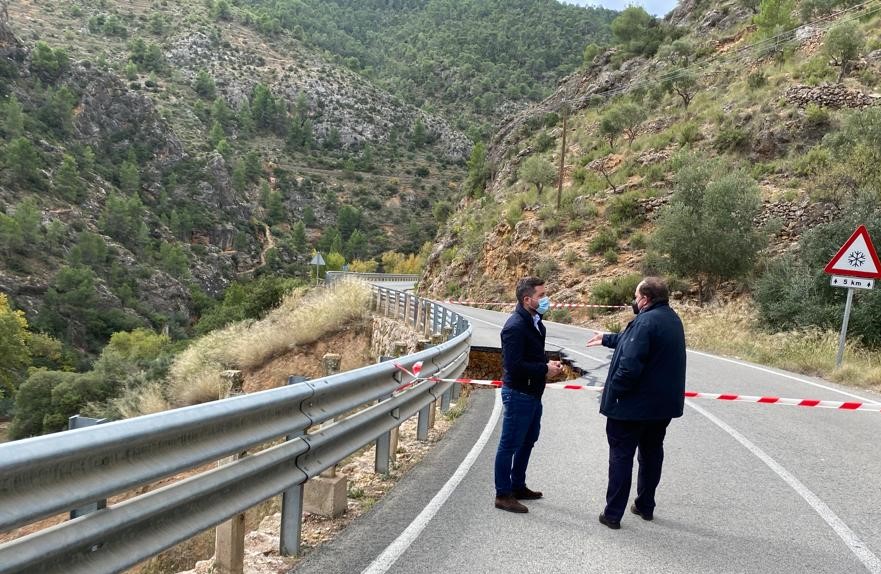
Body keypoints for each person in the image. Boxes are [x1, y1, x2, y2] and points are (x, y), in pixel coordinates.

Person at [586, 276, 686, 529]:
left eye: (636, 296)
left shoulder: (644, 321)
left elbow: (629, 367)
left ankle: (612, 514)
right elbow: (633, 342)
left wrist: (614, 392)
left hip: (631, 407)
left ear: (645, 299)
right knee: (651, 455)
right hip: (660, 408)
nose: (634, 300)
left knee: (621, 457)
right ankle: (645, 505)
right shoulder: (672, 319)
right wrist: (607, 338)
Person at [494, 276, 563, 513]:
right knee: (509, 444)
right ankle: (503, 494)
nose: (546, 299)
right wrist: (544, 369)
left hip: (533, 393)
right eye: (541, 295)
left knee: (528, 440)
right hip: (518, 393)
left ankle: (518, 485)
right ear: (527, 299)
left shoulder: (536, 322)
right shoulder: (515, 327)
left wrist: (547, 363)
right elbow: (513, 366)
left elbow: (531, 355)